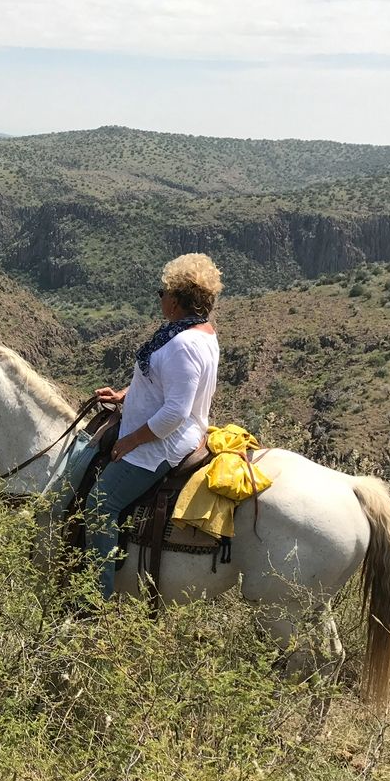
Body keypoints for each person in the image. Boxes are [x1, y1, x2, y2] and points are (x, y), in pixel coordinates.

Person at [86, 252, 222, 599]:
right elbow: (160, 385)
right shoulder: (195, 332)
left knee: (101, 503)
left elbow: (175, 411)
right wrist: (123, 396)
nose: (160, 299)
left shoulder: (184, 344)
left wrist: (131, 441)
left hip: (164, 442)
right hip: (163, 431)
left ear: (175, 301)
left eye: (162, 294)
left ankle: (93, 603)